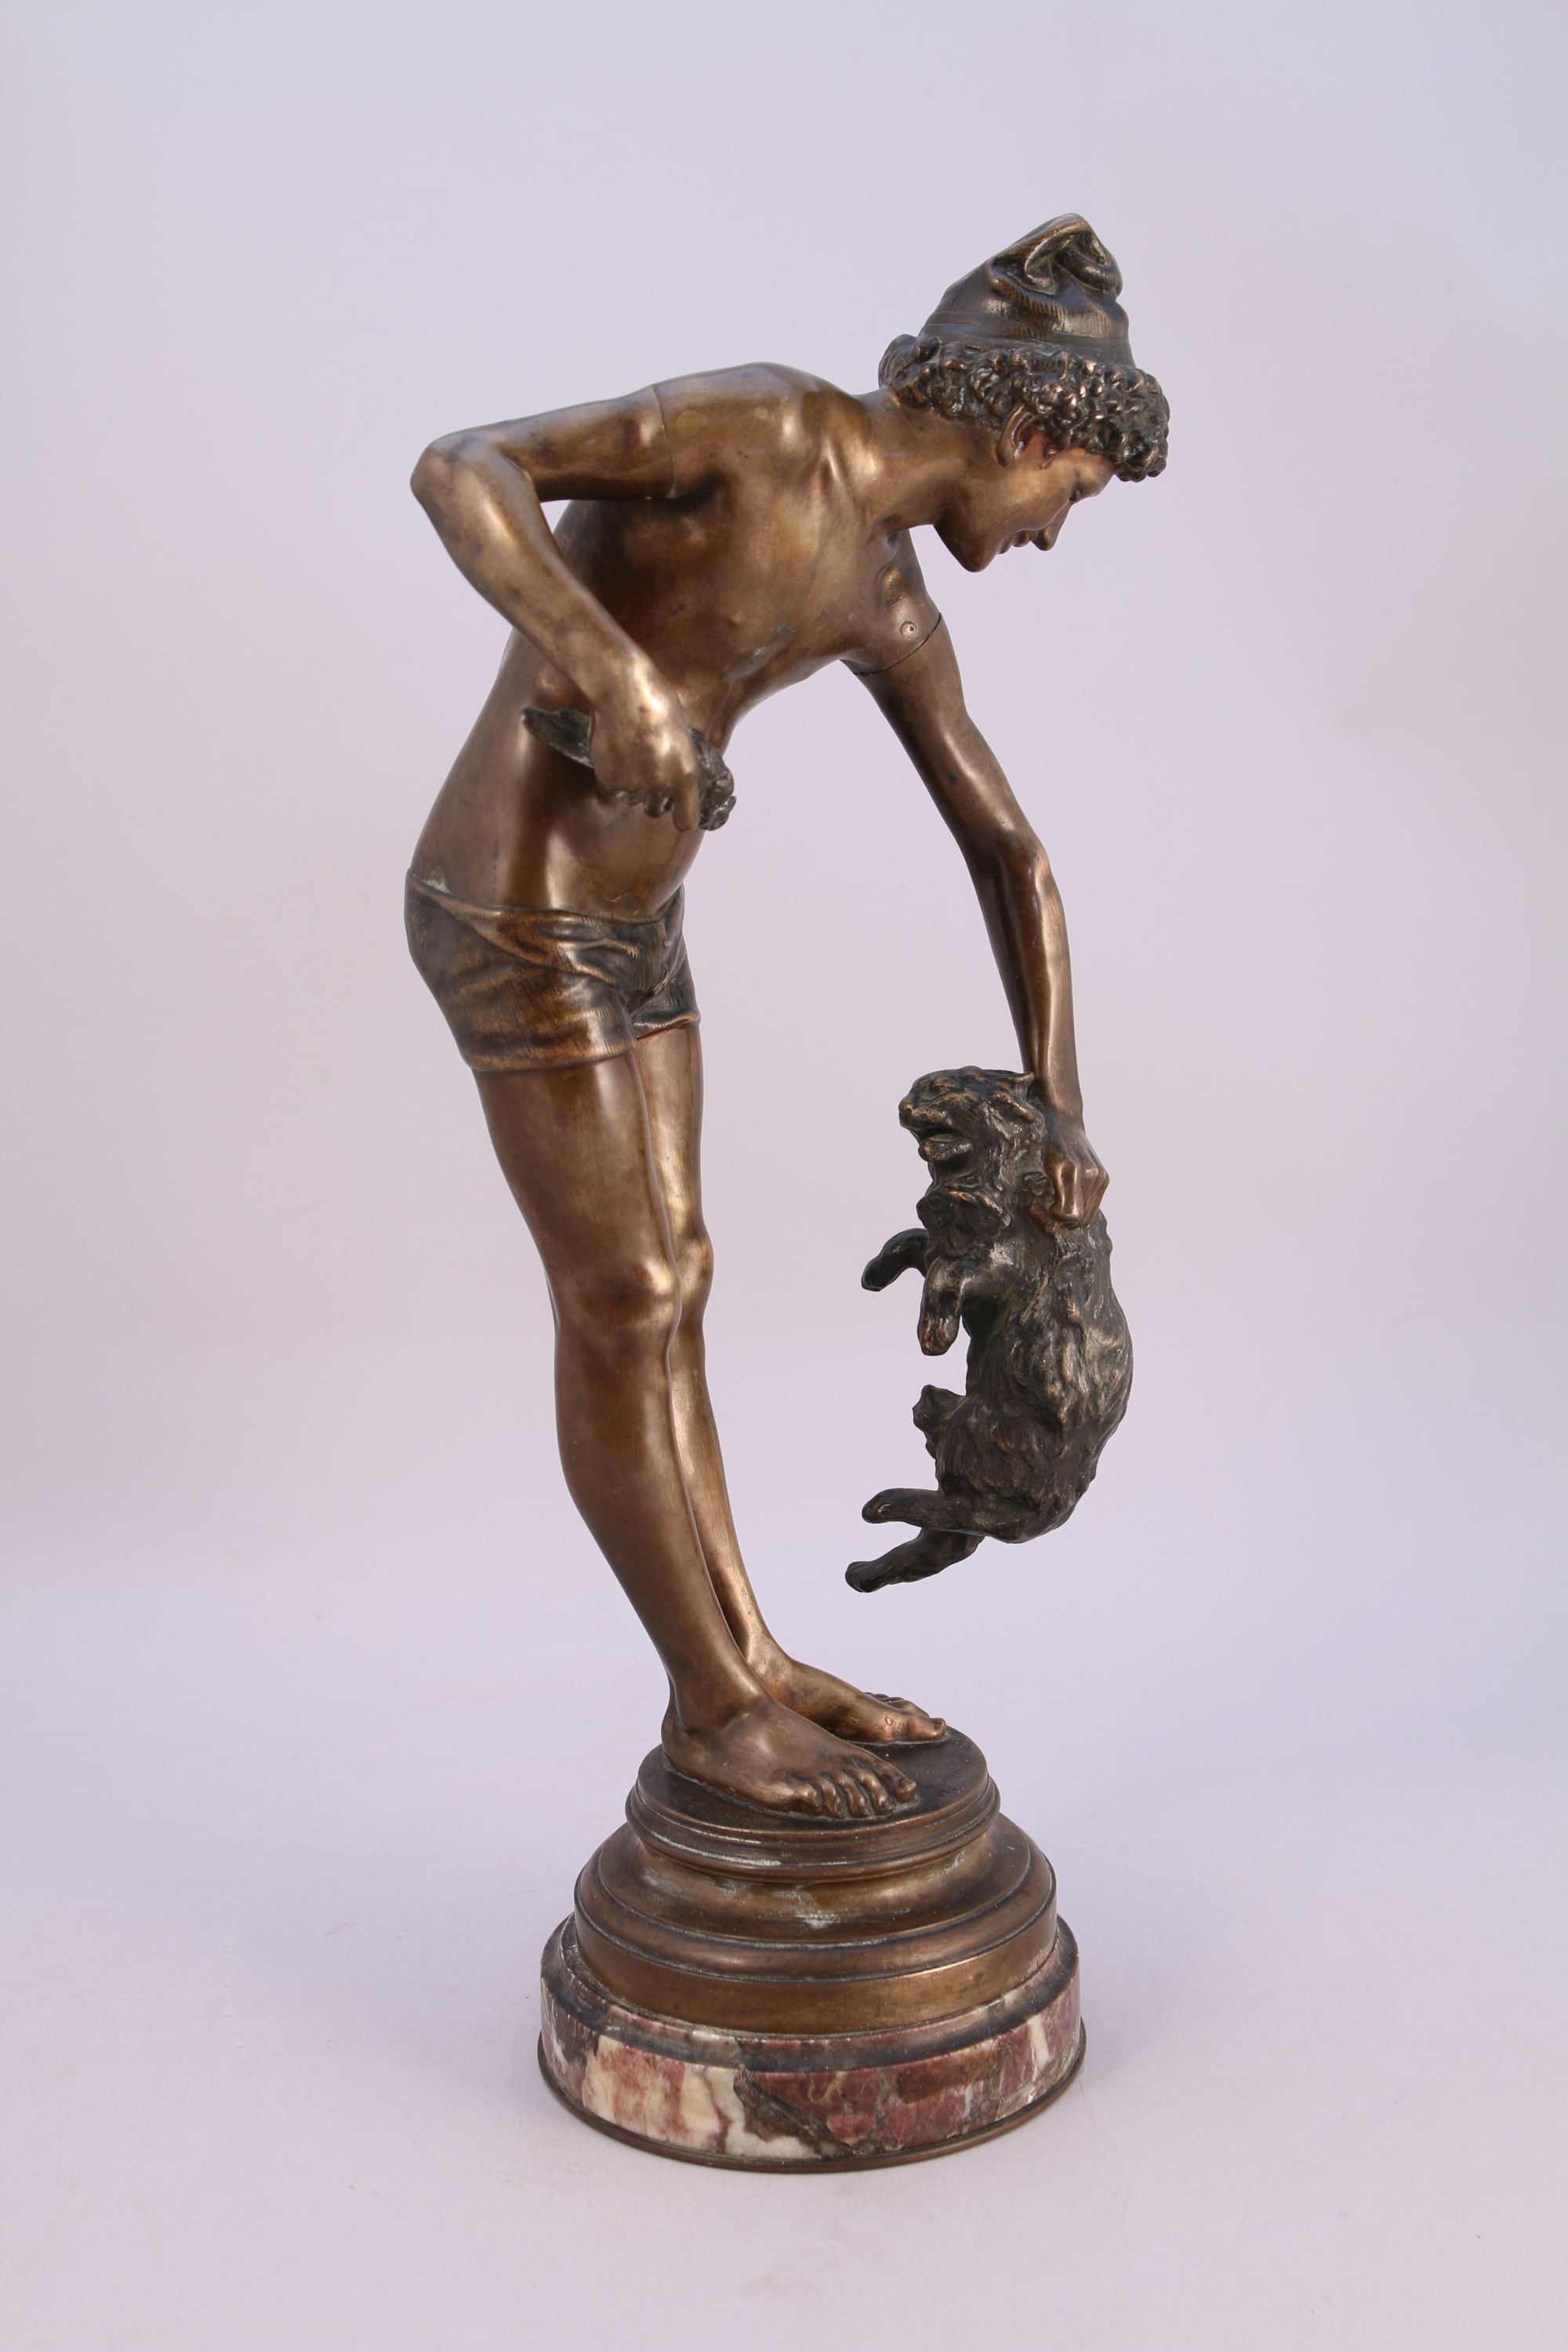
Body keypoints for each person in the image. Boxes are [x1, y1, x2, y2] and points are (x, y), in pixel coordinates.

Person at [407, 214, 1169, 1818]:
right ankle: (712, 1710)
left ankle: (747, 1660)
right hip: (513, 907)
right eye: (1072, 493)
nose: (1052, 532)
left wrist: (1062, 1105)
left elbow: (1011, 852)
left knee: (678, 1284)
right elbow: (463, 467)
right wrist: (609, 671)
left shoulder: (887, 596)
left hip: (637, 927)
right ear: (1023, 427)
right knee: (626, 1295)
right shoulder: (759, 429)